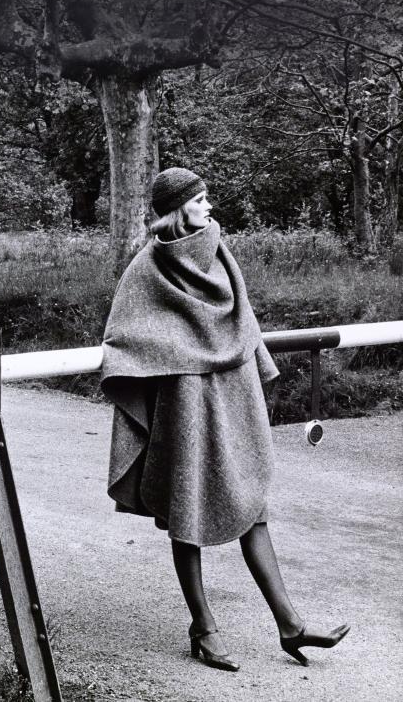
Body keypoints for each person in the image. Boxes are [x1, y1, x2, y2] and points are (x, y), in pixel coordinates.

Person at [100, 167, 349, 671]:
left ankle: (290, 625)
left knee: (249, 503)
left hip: (230, 395)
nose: (209, 206)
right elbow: (124, 336)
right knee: (186, 511)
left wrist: (253, 374)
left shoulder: (218, 252)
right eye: (201, 199)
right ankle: (204, 627)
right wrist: (172, 357)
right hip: (183, 403)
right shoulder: (148, 267)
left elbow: (242, 320)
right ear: (178, 208)